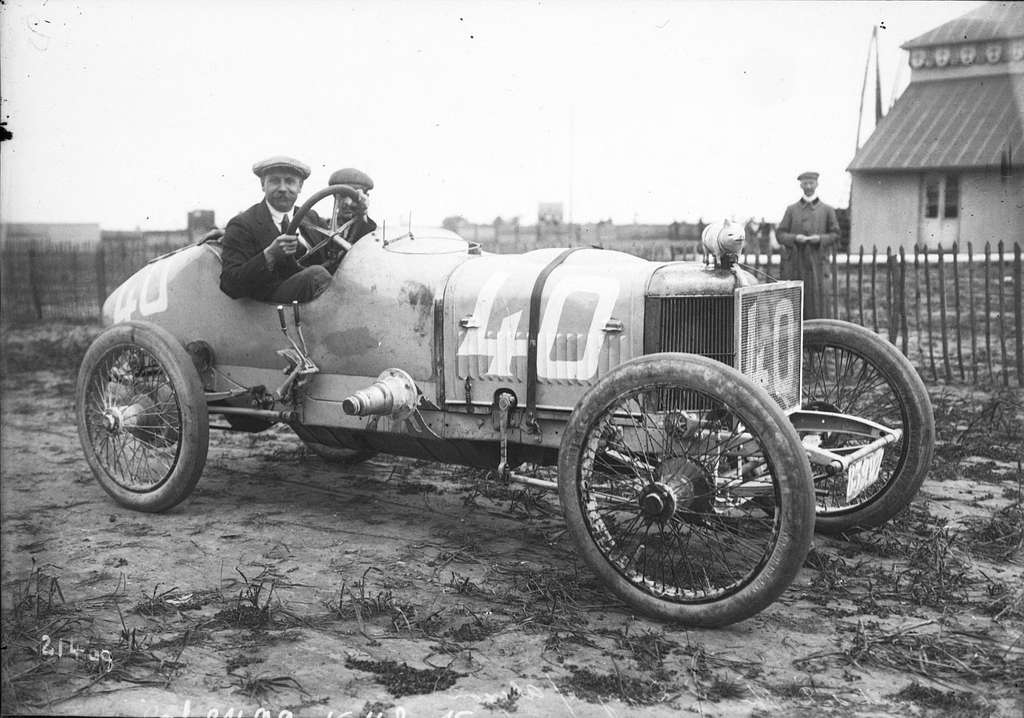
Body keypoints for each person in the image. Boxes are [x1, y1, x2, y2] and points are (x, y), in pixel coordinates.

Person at [220, 156, 335, 303]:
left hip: (317, 309)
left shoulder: (312, 218)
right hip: (271, 312)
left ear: (300, 186)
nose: (282, 188)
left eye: (289, 181)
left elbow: (337, 256)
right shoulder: (242, 224)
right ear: (263, 185)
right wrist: (270, 254)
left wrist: (361, 216)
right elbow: (230, 284)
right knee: (315, 274)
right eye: (274, 181)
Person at [776, 171, 841, 319]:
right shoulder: (791, 210)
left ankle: (819, 339)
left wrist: (819, 239)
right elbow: (780, 234)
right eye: (805, 183)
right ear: (801, 185)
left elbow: (836, 234)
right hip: (796, 265)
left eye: (811, 183)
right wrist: (794, 238)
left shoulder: (827, 210)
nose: (808, 186)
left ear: (817, 184)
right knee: (796, 303)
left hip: (818, 265)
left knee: (819, 305)